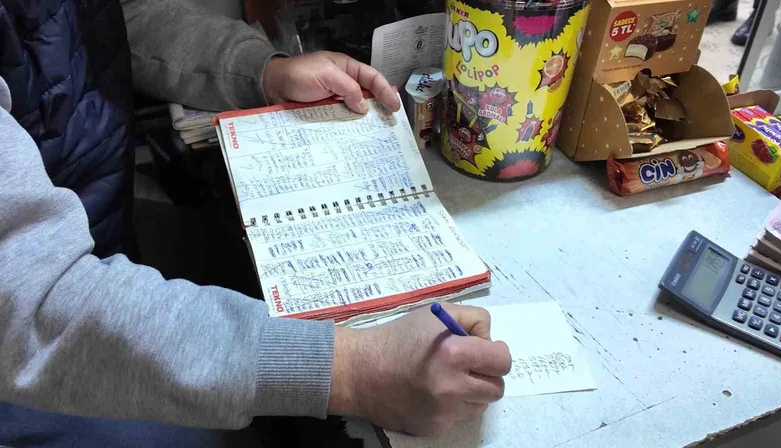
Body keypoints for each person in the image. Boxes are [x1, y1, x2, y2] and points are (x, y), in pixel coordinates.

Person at [0, 0, 512, 446]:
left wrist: (261, 71)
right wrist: (352, 370)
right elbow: (30, 303)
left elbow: (110, 17)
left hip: (94, 231)